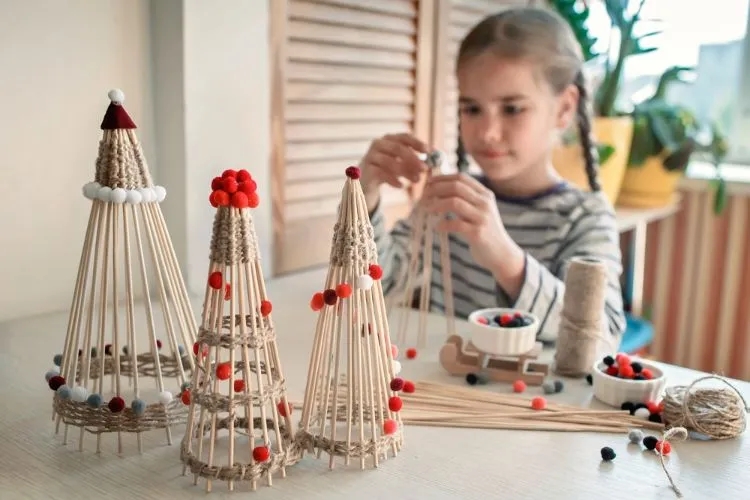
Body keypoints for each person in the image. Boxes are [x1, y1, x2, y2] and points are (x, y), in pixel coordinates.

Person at [358, 7, 626, 348]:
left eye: (512, 108)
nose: (487, 132)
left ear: (563, 108)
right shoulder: (451, 200)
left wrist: (506, 260)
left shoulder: (585, 217)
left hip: (532, 399)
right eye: (472, 109)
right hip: (444, 389)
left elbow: (603, 337)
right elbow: (382, 283)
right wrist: (365, 195)